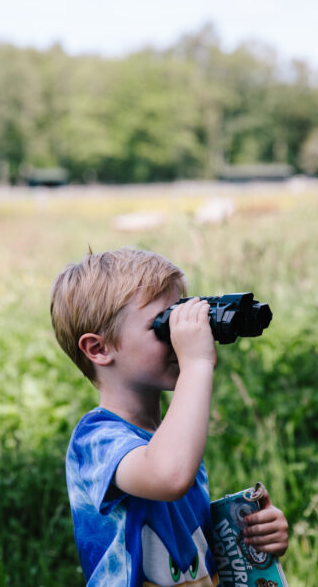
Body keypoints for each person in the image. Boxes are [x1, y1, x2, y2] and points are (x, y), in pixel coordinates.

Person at [50, 248, 289, 586]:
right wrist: (196, 364)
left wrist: (258, 538)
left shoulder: (168, 439)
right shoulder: (96, 441)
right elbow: (168, 475)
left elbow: (194, 550)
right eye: (163, 326)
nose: (179, 338)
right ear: (99, 349)